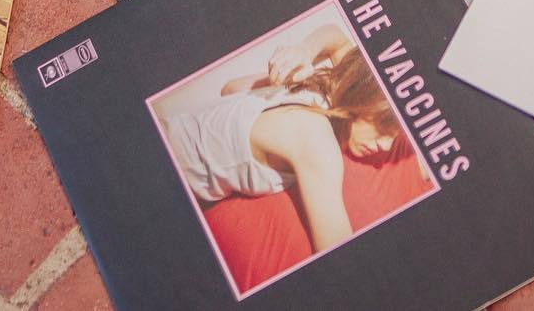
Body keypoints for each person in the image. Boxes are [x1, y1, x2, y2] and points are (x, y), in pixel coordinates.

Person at [163, 24, 420, 258]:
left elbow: (337, 38)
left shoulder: (323, 84)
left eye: (395, 135)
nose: (386, 147)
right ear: (362, 96)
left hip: (175, 128)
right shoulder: (316, 143)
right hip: (165, 173)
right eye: (383, 128)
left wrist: (305, 50)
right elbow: (339, 258)